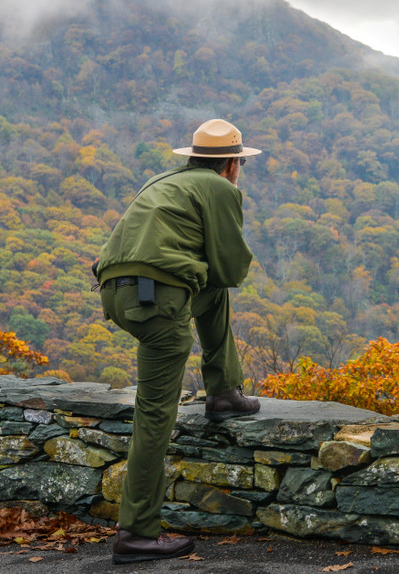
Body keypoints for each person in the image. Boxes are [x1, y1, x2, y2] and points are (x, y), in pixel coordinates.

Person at [95, 118, 263, 563]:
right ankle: (136, 533)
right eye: (240, 162)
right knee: (153, 414)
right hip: (158, 298)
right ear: (231, 164)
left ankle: (224, 390)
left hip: (117, 291)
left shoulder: (164, 180)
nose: (239, 169)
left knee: (209, 294)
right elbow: (230, 268)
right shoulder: (221, 189)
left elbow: (212, 283)